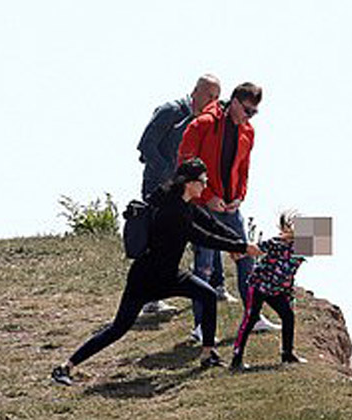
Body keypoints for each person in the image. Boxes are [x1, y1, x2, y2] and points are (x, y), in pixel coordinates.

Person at [51, 159, 261, 386]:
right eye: (202, 181)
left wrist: (239, 241)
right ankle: (66, 367)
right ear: (189, 183)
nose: (205, 184)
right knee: (118, 328)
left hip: (170, 274)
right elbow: (202, 237)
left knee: (208, 295)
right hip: (146, 278)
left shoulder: (187, 204)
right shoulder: (172, 211)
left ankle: (207, 354)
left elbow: (212, 225)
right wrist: (241, 248)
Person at [178, 82, 280, 335]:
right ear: (234, 102)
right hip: (202, 205)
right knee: (204, 265)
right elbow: (185, 161)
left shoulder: (248, 132)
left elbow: (244, 169)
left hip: (230, 207)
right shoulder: (203, 124)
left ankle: (253, 318)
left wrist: (239, 197)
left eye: (254, 112)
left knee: (246, 257)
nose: (250, 117)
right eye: (247, 110)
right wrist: (209, 195)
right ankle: (201, 327)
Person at [136, 74, 234, 312]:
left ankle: (218, 286)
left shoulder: (209, 122)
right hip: (160, 188)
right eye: (208, 94)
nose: (212, 100)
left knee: (207, 227)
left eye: (216, 97)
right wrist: (169, 175)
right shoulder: (171, 111)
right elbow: (145, 145)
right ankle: (151, 300)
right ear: (195, 91)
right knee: (160, 242)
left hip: (189, 190)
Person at [230, 211, 307, 371]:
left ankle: (287, 354)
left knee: (288, 316)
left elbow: (290, 273)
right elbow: (257, 249)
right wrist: (240, 252)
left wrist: (288, 292)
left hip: (276, 290)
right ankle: (236, 359)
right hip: (258, 286)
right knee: (251, 318)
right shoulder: (276, 243)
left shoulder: (301, 253)